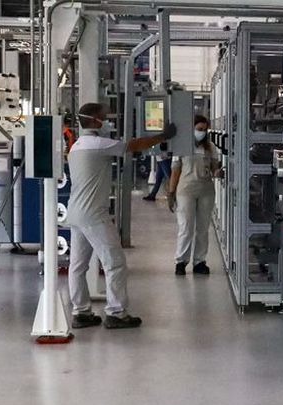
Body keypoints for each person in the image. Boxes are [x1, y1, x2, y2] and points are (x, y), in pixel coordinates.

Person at [67, 102, 176, 329]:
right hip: (93, 214)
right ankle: (116, 313)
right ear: (94, 120)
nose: (107, 121)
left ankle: (81, 312)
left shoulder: (76, 146)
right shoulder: (98, 144)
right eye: (104, 117)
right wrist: (163, 136)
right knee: (114, 262)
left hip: (75, 212)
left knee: (77, 266)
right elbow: (133, 145)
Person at [167, 115, 221, 275]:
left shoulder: (210, 148)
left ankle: (199, 261)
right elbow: (175, 171)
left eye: (204, 130)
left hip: (206, 191)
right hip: (185, 191)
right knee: (186, 227)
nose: (202, 132)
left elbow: (214, 168)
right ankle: (180, 261)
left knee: (203, 228)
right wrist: (171, 193)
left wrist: (217, 172)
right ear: (191, 129)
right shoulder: (181, 146)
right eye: (199, 129)